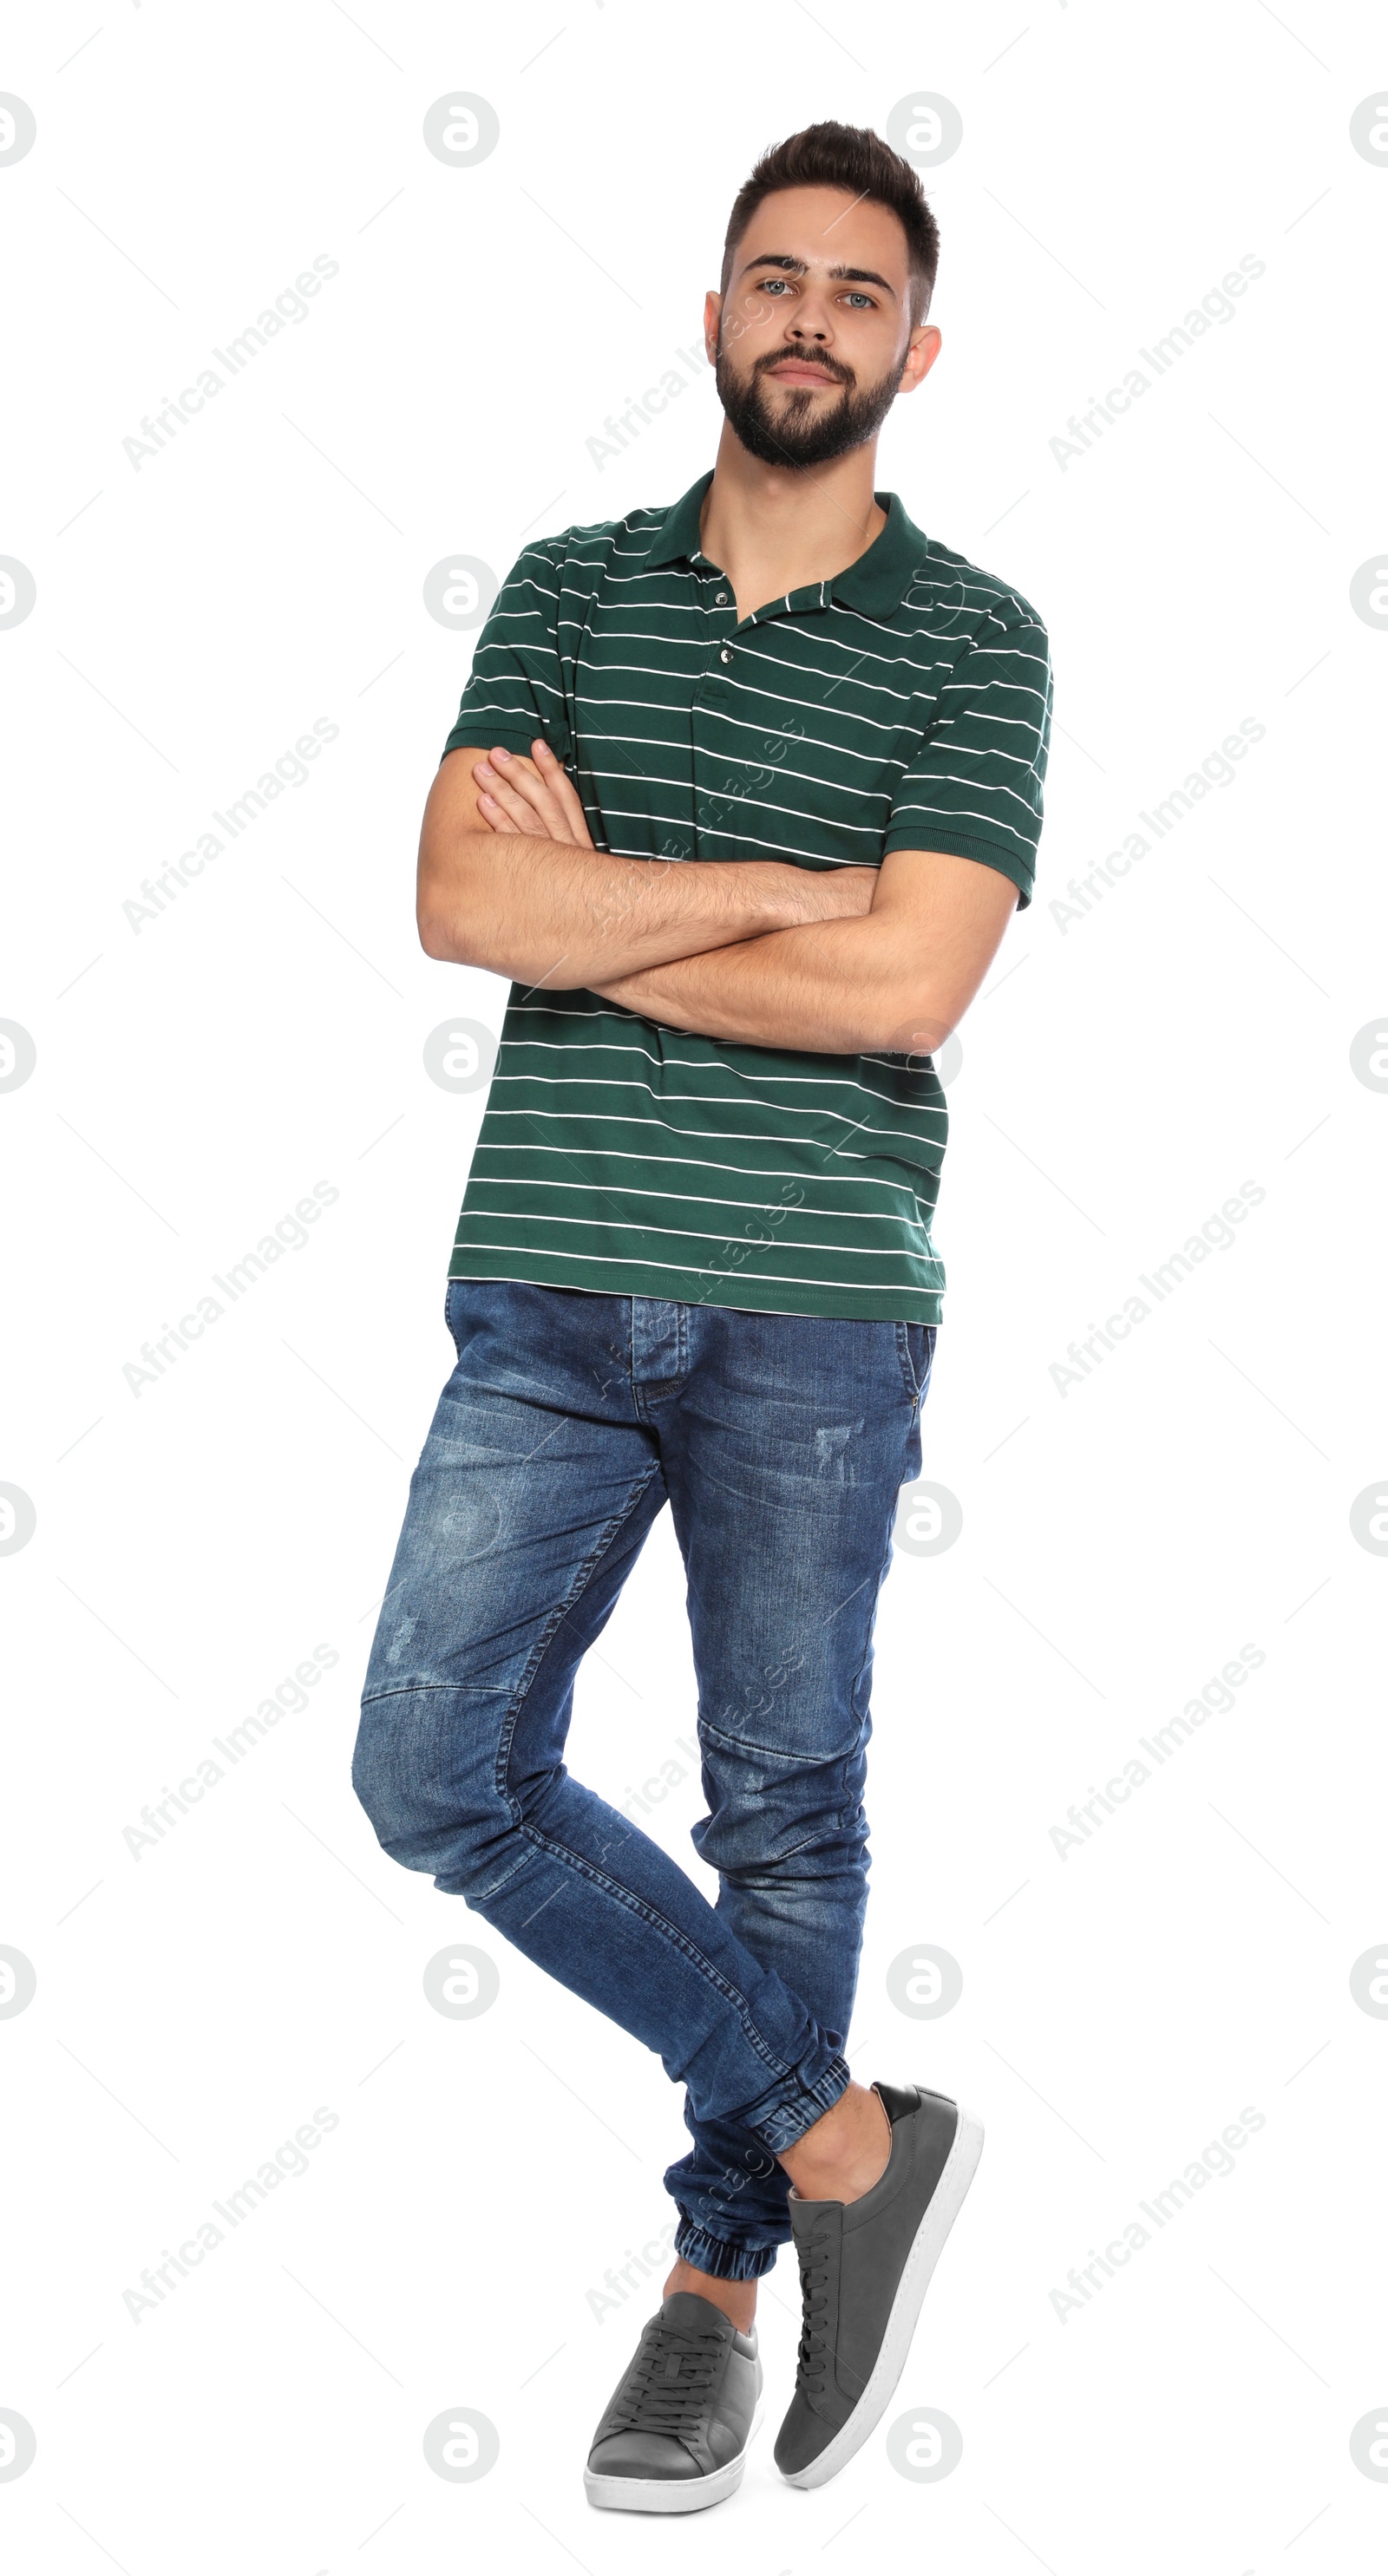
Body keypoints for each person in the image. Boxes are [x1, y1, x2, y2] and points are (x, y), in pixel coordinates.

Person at [353, 117, 1051, 2512]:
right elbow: (462, 904)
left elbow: (917, 977)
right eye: (775, 277)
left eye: (858, 292)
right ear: (715, 309)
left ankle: (717, 2284)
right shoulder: (562, 587)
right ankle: (854, 2135)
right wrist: (775, 882)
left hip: (816, 1304)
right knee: (433, 1771)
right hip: (547, 1280)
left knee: (785, 1810)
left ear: (914, 349)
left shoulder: (978, 639)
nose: (809, 319)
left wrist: (619, 897)